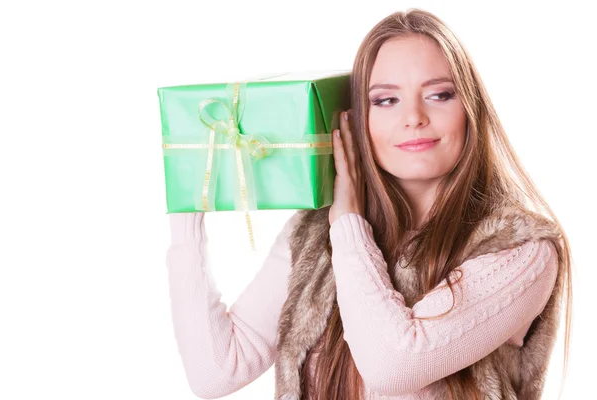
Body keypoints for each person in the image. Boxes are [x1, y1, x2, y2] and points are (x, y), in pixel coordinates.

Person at [165, 8, 573, 400]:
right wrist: (187, 205)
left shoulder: (521, 249)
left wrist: (348, 226)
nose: (413, 117)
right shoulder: (314, 233)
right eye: (386, 100)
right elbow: (215, 371)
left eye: (439, 94)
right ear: (356, 118)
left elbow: (391, 365)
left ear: (470, 108)